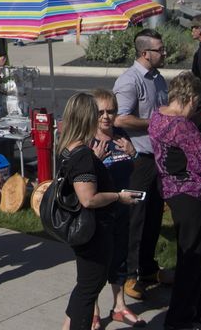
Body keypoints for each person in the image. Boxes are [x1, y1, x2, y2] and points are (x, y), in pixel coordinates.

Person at [149, 72, 201, 330]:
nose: (197, 107)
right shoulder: (182, 127)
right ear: (191, 97)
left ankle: (197, 309)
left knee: (196, 251)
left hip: (171, 189)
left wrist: (200, 116)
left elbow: (178, 137)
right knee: (192, 257)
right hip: (189, 194)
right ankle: (179, 319)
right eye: (196, 103)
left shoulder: (158, 115)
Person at [57, 93, 141, 330]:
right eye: (97, 113)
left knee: (85, 285)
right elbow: (89, 199)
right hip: (93, 230)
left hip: (86, 228)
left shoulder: (68, 147)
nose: (103, 117)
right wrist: (118, 196)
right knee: (88, 289)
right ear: (86, 118)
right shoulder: (83, 154)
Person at [112, 29, 169, 302]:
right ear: (145, 53)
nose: (165, 53)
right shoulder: (129, 81)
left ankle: (147, 268)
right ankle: (130, 275)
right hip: (139, 160)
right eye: (160, 49)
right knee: (137, 218)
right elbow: (120, 120)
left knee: (154, 214)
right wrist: (156, 123)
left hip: (158, 156)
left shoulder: (158, 79)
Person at [88, 89, 140, 330]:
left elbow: (132, 169)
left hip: (122, 209)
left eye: (111, 111)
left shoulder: (120, 135)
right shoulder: (88, 140)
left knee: (120, 257)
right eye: (101, 112)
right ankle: (94, 310)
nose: (106, 117)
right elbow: (81, 181)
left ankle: (119, 305)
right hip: (99, 213)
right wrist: (94, 161)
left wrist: (133, 153)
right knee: (98, 261)